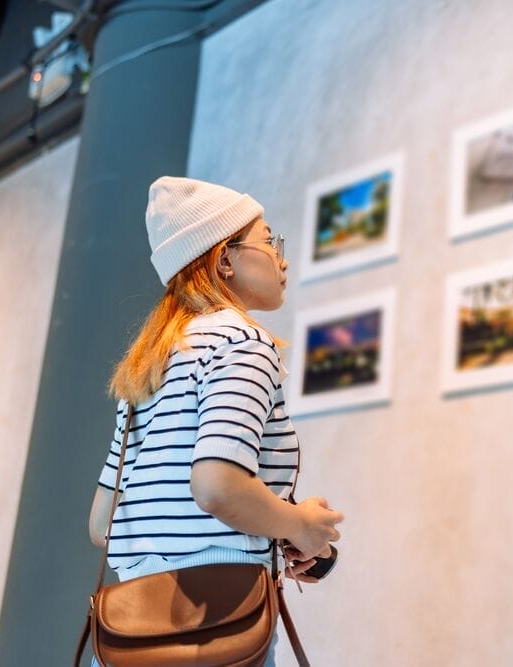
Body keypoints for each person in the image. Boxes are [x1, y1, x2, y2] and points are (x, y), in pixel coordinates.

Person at [87, 176, 343, 665]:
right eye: (270, 241)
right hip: (217, 623)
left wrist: (270, 526)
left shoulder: (151, 362)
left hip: (131, 630)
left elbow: (103, 523)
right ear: (224, 257)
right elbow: (217, 487)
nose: (282, 258)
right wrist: (299, 523)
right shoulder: (242, 343)